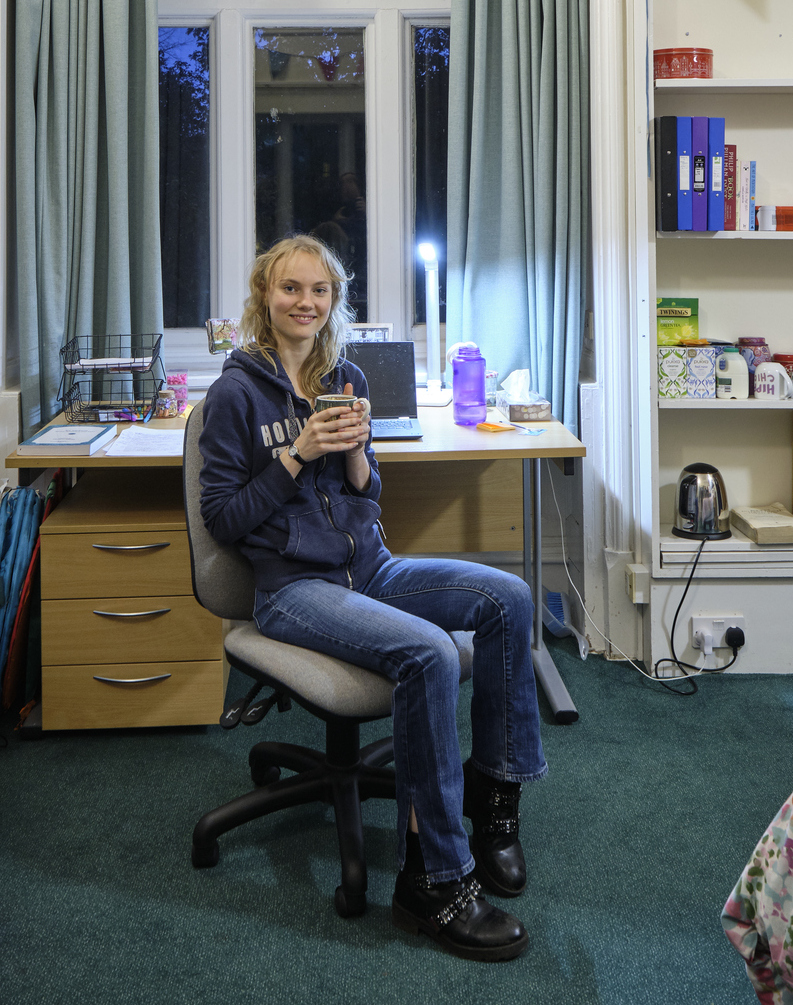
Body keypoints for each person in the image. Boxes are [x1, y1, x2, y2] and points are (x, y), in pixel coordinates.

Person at [198, 234, 546, 962]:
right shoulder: (234, 393)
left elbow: (369, 490)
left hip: (372, 566)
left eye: (320, 291)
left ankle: (493, 807)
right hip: (291, 589)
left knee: (508, 599)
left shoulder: (344, 372)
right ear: (266, 294)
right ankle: (435, 879)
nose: (306, 302)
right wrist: (299, 453)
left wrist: (354, 449)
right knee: (428, 655)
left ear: (334, 301)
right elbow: (225, 519)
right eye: (292, 288)